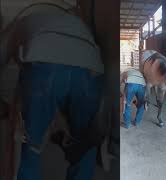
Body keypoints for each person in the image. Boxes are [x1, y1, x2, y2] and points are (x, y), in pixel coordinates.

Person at [1, 4, 104, 180]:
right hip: (91, 70)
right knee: (83, 147)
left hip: (43, 64)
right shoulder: (76, 22)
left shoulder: (19, 23)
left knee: (29, 144)